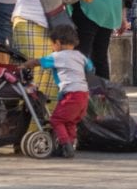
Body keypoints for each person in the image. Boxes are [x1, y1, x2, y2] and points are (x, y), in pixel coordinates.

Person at [21, 23, 93, 159]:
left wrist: (23, 66)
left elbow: (37, 62)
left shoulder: (57, 56)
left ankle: (65, 145)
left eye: (52, 44)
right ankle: (69, 146)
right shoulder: (80, 55)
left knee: (56, 120)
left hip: (71, 95)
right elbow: (90, 67)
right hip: (83, 94)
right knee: (70, 122)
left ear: (58, 43)